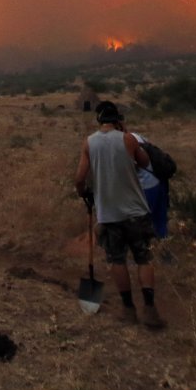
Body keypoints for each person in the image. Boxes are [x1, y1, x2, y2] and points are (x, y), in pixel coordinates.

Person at [74, 100, 166, 328]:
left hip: (109, 213)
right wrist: (129, 140)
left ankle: (128, 310)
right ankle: (150, 309)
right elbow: (144, 162)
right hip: (136, 210)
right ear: (118, 120)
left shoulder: (89, 142)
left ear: (98, 120)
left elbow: (79, 179)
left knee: (117, 260)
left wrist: (84, 193)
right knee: (143, 258)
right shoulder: (128, 139)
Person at [132, 132, 170, 240]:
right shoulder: (136, 136)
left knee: (143, 223)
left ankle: (148, 250)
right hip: (159, 181)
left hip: (147, 187)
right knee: (161, 221)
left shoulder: (127, 142)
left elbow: (134, 165)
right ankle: (164, 247)